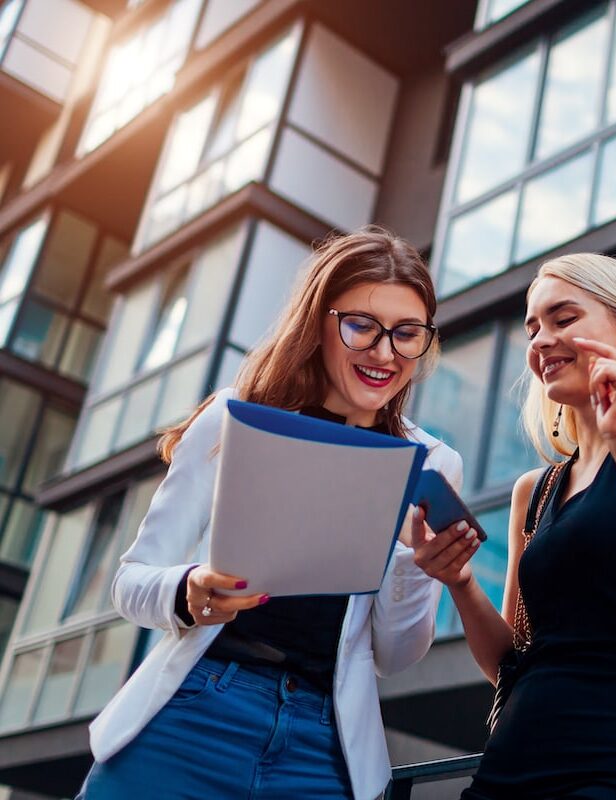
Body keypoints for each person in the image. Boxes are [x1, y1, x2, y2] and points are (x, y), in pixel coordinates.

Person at [77, 227, 464, 800]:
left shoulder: (431, 463)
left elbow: (394, 656)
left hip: (320, 750)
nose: (385, 353)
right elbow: (130, 581)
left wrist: (417, 563)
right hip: (193, 715)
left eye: (407, 334)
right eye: (362, 326)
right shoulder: (233, 417)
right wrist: (188, 592)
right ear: (319, 323)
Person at [412, 253, 616, 798]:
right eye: (532, 328)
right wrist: (461, 582)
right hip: (513, 764)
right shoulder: (533, 491)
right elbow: (511, 663)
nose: (540, 341)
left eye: (563, 320)